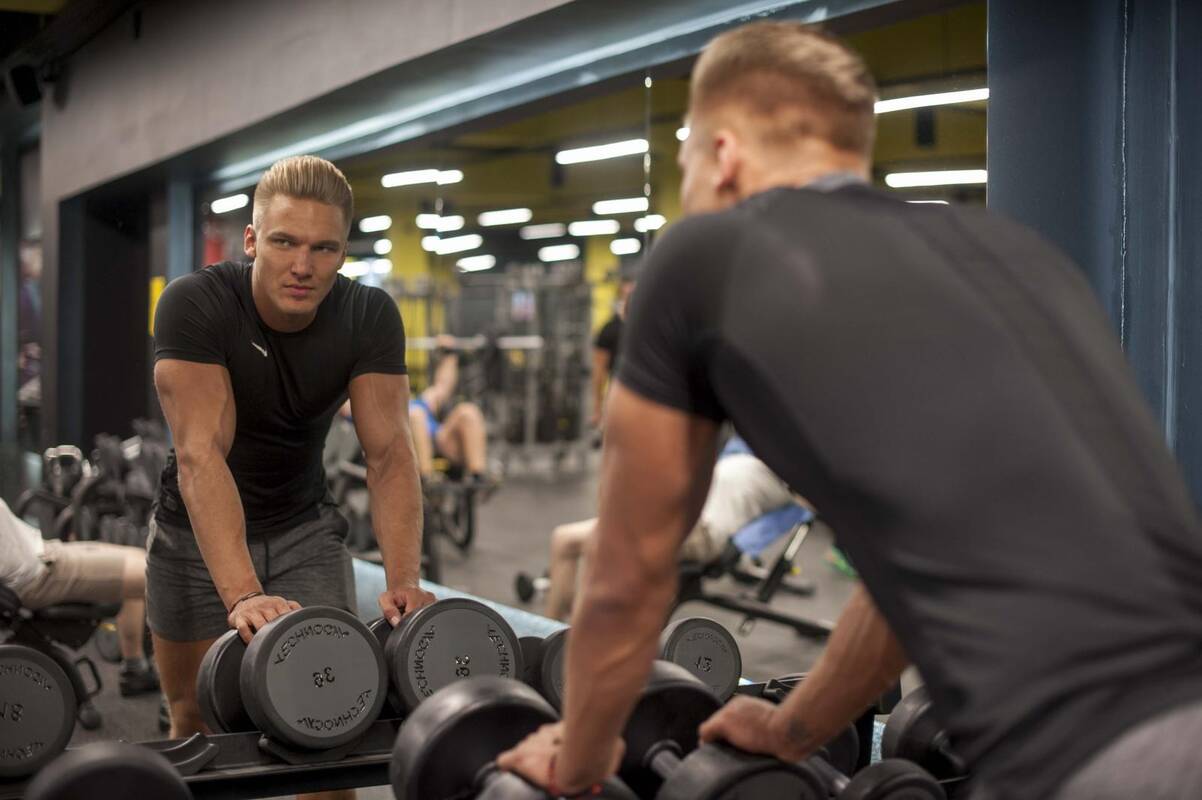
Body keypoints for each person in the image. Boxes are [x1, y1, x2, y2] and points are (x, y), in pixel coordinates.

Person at [499, 21, 1202, 800]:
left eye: (685, 156)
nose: (689, 181)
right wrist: (792, 729)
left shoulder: (704, 255)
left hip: (1096, 760)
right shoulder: (1019, 256)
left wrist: (580, 754)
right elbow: (902, 583)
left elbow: (629, 570)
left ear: (722, 154)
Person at [150, 155, 434, 800]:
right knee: (195, 722)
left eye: (323, 248)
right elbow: (200, 455)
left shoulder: (367, 315)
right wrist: (243, 594)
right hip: (192, 538)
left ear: (342, 253)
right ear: (252, 241)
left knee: (329, 726)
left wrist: (403, 582)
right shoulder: (196, 304)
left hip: (305, 527)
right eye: (284, 242)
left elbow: (390, 454)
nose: (303, 265)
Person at [542, 436, 794, 621]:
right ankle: (553, 638)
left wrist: (738, 551)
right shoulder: (742, 455)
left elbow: (780, 520)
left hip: (701, 533)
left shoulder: (789, 485)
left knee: (601, 549)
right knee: (562, 539)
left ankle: (568, 642)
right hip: (675, 516)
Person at [0, 499, 159, 696]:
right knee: (157, 574)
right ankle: (178, 696)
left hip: (44, 552)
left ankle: (135, 670)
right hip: (40, 576)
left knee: (141, 556)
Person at [408, 335, 490, 481]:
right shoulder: (390, 407)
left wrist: (450, 354)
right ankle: (427, 478)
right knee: (416, 415)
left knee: (468, 411)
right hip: (406, 446)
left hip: (440, 442)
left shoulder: (420, 402)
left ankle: (477, 475)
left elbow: (442, 386)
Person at [590, 276, 636, 429]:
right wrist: (597, 408)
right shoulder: (609, 330)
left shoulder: (652, 329)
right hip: (619, 396)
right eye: (626, 295)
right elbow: (599, 370)